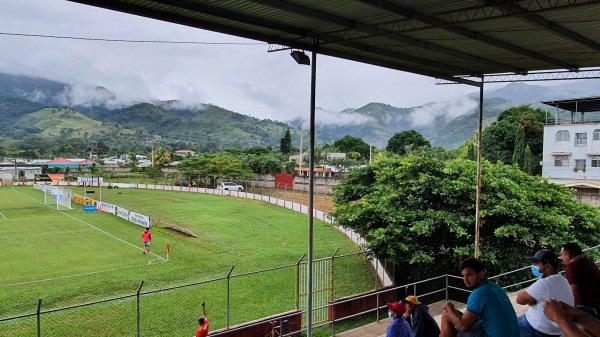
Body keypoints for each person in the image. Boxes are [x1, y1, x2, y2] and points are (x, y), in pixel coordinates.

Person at [440, 257, 519, 337]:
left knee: (447, 313)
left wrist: (448, 306)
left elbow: (463, 327)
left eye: (469, 275)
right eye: (463, 276)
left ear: (481, 274)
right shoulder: (496, 287)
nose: (465, 280)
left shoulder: (479, 293)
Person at [516, 250, 574, 337]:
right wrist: (530, 298)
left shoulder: (545, 283)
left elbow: (519, 300)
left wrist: (529, 299)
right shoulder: (561, 279)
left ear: (547, 266)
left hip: (535, 329)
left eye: (536, 264)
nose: (534, 266)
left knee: (506, 327)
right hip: (554, 331)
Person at [560, 243, 600, 319]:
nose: (561, 257)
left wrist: (573, 312)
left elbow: (574, 293)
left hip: (593, 309)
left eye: (562, 255)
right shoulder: (588, 261)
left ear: (568, 256)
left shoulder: (572, 266)